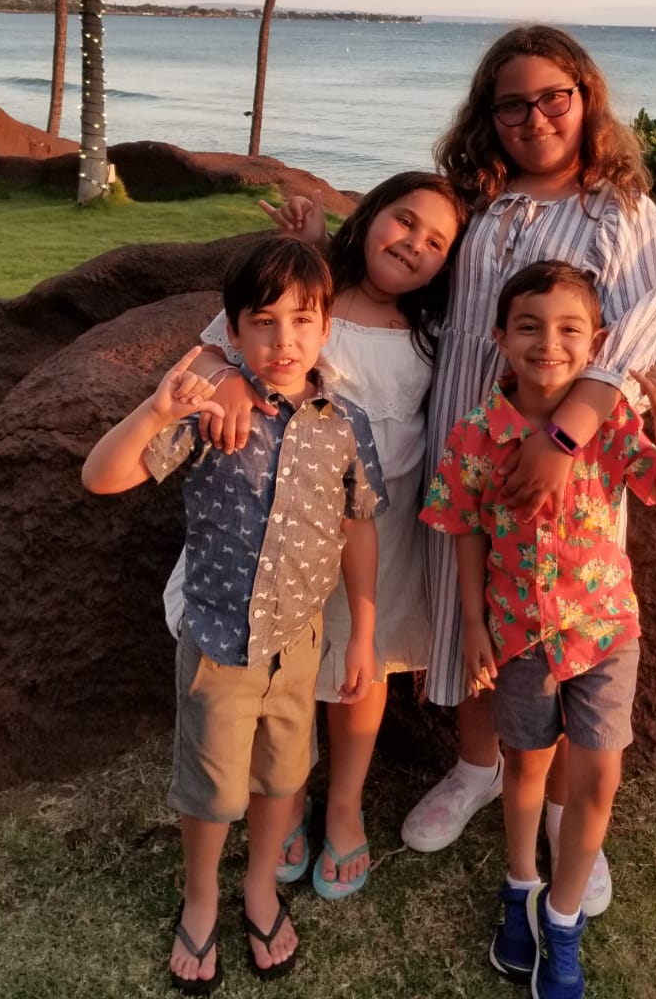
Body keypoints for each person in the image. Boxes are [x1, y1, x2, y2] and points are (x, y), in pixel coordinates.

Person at [403, 24, 656, 916]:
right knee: (472, 609)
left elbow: (632, 335)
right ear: (489, 116)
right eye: (511, 104)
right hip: (467, 436)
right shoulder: (479, 199)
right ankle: (477, 766)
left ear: (585, 97)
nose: (534, 118)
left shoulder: (619, 211)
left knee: (558, 622)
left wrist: (558, 442)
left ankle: (562, 812)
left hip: (570, 460)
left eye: (553, 97)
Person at [82, 236, 386, 992]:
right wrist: (155, 413)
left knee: (283, 777)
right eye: (264, 322)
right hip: (219, 642)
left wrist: (365, 632)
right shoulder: (212, 413)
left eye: (303, 321)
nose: (285, 341)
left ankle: (259, 887)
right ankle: (201, 895)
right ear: (232, 330)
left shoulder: (346, 424)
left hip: (300, 645)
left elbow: (358, 526)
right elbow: (101, 477)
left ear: (325, 329)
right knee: (212, 788)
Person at [171, 172, 465, 899]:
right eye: (405, 220)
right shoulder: (316, 300)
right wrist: (228, 381)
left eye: (437, 242)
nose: (414, 245)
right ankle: (288, 797)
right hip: (287, 517)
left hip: (379, 523)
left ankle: (344, 804)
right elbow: (213, 348)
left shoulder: (435, 329)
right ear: (369, 214)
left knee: (365, 666)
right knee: (292, 662)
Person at [421, 260, 656, 998]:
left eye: (571, 329)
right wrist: (473, 623)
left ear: (597, 342)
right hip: (518, 637)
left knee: (598, 777)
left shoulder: (609, 426)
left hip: (605, 633)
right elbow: (465, 527)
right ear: (500, 338)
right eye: (530, 327)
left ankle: (562, 918)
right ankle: (520, 888)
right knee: (526, 769)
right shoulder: (476, 435)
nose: (549, 344)